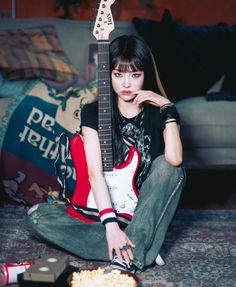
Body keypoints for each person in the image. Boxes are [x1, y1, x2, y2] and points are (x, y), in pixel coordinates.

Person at [26, 35, 186, 273]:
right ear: (108, 75)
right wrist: (110, 226)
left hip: (139, 212)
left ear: (146, 75)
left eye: (135, 75)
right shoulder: (93, 112)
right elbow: (94, 173)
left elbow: (174, 161)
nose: (126, 84)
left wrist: (168, 106)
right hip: (101, 212)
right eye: (118, 74)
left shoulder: (160, 113)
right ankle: (138, 247)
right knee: (37, 216)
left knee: (168, 167)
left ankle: (132, 247)